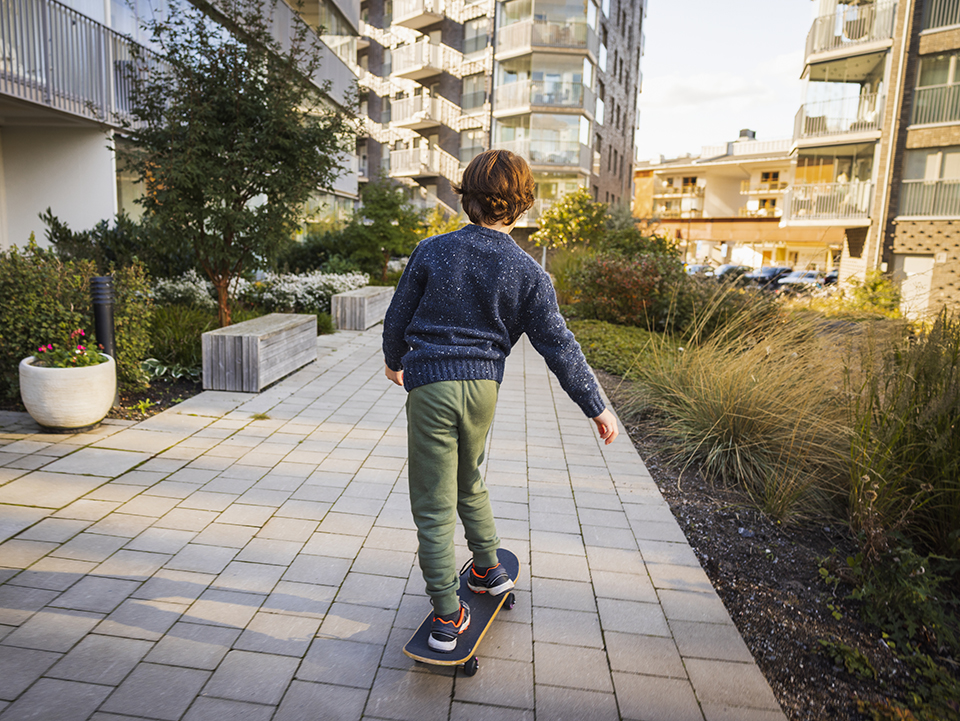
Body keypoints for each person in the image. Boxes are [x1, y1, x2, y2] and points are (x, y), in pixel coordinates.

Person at [382, 149, 619, 653]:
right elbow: (558, 343)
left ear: (465, 198)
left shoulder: (432, 250)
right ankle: (488, 569)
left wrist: (393, 359)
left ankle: (448, 616)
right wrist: (595, 405)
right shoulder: (528, 272)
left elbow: (398, 314)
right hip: (482, 391)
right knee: (469, 476)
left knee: (432, 503)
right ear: (523, 205)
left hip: (430, 387)